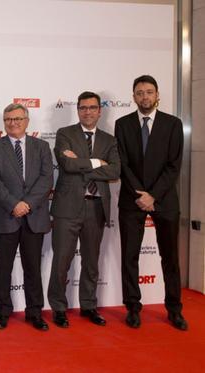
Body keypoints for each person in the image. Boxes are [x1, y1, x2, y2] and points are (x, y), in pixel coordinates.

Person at [115, 75, 187, 330]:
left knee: (170, 258)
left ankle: (174, 309)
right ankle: (133, 308)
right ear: (133, 96)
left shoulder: (173, 124)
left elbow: (173, 165)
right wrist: (140, 195)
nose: (144, 96)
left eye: (149, 92)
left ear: (157, 95)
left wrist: (153, 195)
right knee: (129, 256)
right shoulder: (122, 124)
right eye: (139, 92)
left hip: (164, 200)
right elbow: (122, 163)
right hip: (131, 200)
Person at [48, 91, 120, 328]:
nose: (87, 112)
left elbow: (115, 172)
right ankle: (59, 307)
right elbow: (66, 165)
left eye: (92, 107)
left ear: (100, 110)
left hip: (96, 208)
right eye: (83, 108)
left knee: (91, 262)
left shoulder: (110, 140)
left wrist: (82, 164)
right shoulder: (65, 134)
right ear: (77, 110)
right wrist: (98, 163)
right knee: (61, 261)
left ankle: (89, 305)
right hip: (67, 209)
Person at [0, 103, 53, 331]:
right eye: (8, 119)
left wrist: (27, 204)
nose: (12, 123)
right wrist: (14, 204)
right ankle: (2, 312)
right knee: (2, 269)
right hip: (6, 216)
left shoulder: (42, 146)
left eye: (17, 119)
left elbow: (46, 180)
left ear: (26, 120)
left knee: (33, 268)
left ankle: (35, 312)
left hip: (34, 217)